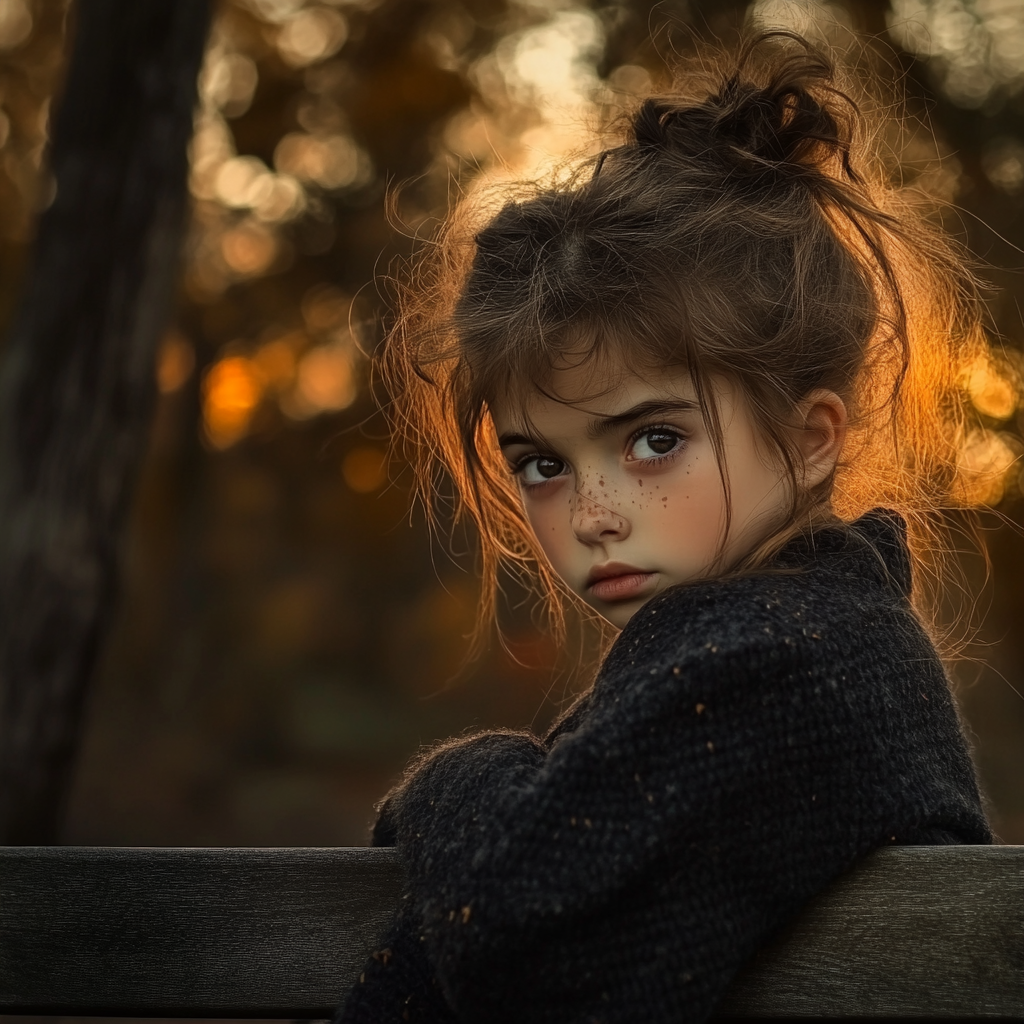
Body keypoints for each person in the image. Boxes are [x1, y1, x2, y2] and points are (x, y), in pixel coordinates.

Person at [337, 30, 992, 1024]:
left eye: (650, 440)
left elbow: (520, 921)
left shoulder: (791, 658)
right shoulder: (767, 635)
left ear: (810, 439)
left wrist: (455, 781)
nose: (593, 514)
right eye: (542, 464)